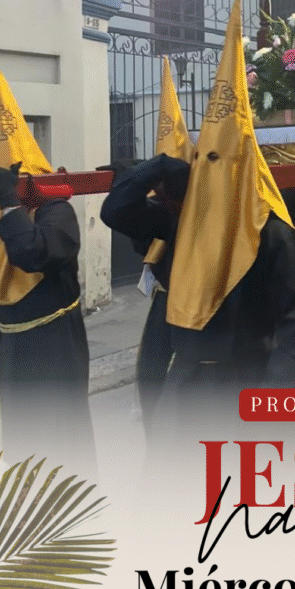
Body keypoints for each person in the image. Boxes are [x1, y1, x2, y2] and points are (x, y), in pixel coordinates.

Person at [159, 0, 295, 434]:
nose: (212, 172)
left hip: (245, 387)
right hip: (188, 389)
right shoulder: (188, 223)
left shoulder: (274, 232)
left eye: (223, 161)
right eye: (205, 160)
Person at [0, 165, 96, 477]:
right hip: (9, 352)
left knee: (54, 445)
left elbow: (33, 253)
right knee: (2, 442)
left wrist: (11, 203)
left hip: (55, 348)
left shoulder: (56, 211)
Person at [99, 153, 190, 435]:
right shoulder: (168, 216)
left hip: (206, 325)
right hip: (167, 305)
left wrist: (153, 169)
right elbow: (115, 211)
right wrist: (138, 174)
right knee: (152, 386)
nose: (159, 198)